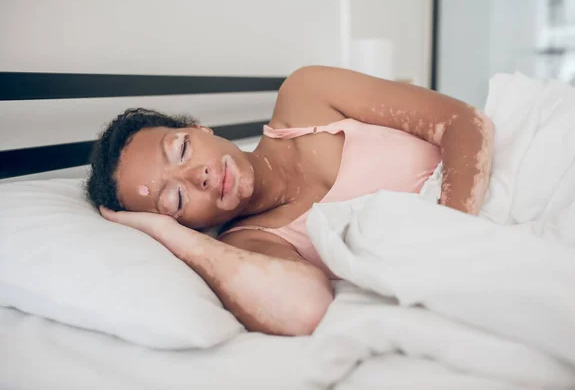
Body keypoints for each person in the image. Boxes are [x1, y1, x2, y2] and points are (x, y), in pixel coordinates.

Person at [86, 65, 495, 336]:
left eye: (181, 150)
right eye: (175, 198)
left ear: (199, 128)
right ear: (182, 223)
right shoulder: (250, 244)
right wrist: (174, 238)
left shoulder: (307, 94)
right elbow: (304, 310)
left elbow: (464, 123)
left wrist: (453, 232)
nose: (199, 177)